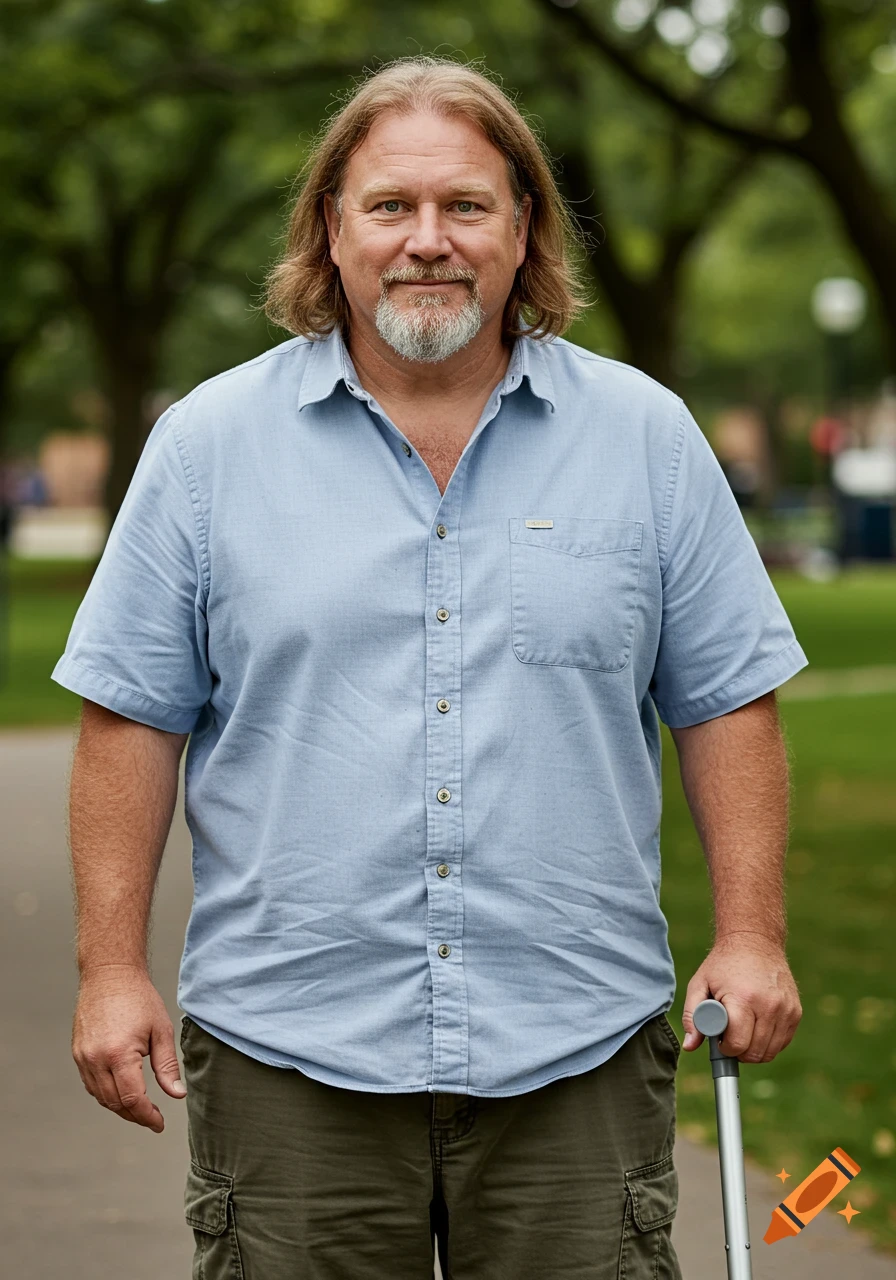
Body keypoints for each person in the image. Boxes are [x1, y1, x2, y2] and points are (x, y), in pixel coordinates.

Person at [53, 55, 807, 1280]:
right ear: (330, 230)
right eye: (389, 206)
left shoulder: (646, 440)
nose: (427, 241)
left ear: (522, 229)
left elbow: (727, 695)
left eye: (464, 206)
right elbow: (128, 720)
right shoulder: (204, 447)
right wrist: (109, 970)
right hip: (290, 1047)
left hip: (576, 1046)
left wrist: (753, 933)